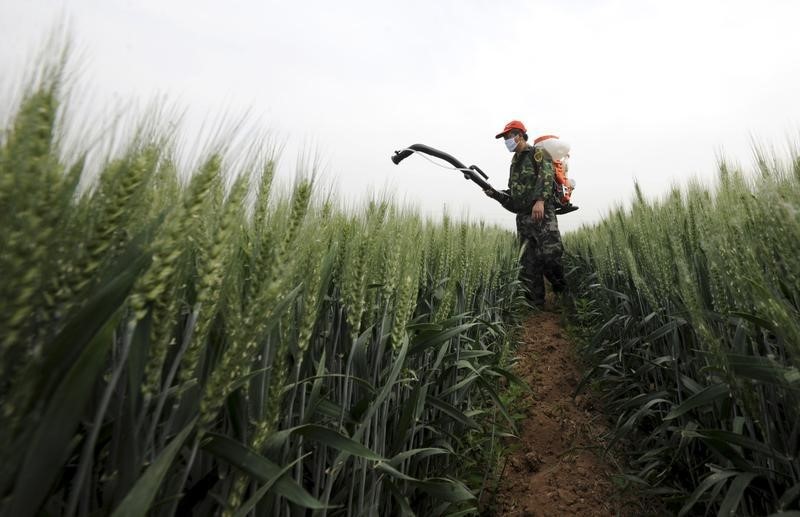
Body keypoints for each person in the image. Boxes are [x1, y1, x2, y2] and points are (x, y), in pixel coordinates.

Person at [486, 120, 566, 308]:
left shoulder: (537, 154)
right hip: (523, 218)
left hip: (542, 215)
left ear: (519, 135)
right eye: (505, 138)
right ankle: (535, 303)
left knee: (550, 255)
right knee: (529, 262)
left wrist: (540, 201)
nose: (506, 141)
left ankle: (562, 291)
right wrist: (495, 195)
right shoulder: (514, 163)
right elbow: (514, 196)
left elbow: (546, 177)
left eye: (507, 136)